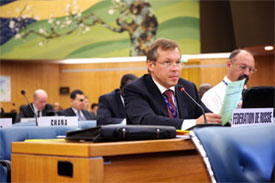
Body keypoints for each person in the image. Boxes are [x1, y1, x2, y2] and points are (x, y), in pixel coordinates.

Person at [123, 38, 222, 130]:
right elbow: (146, 121)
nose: (175, 69)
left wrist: (225, 120)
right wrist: (193, 123)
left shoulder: (187, 88)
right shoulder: (135, 89)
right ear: (151, 65)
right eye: (167, 62)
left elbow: (206, 117)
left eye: (178, 62)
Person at [201, 49, 256, 113]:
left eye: (250, 69)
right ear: (229, 65)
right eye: (243, 67)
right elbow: (213, 122)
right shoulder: (212, 96)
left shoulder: (252, 96)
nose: (247, 73)